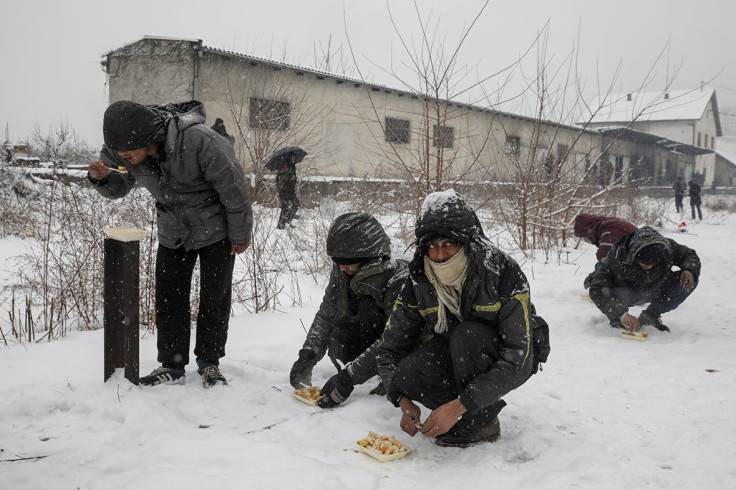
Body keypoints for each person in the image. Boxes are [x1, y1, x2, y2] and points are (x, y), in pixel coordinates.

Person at [88, 100, 253, 387]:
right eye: (119, 153)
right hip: (172, 230)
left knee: (214, 298)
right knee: (169, 299)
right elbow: (118, 189)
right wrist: (100, 179)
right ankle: (172, 366)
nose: (123, 156)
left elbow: (235, 190)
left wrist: (240, 234)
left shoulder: (200, 140)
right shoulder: (122, 149)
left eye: (128, 151)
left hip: (215, 230)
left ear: (148, 138)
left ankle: (209, 364)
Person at [376, 190, 549, 448]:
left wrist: (459, 406)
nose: (441, 255)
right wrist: (402, 400)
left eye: (449, 243)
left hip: (505, 353)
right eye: (432, 246)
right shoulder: (418, 278)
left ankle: (481, 422)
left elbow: (518, 358)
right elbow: (389, 351)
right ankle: (461, 416)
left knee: (467, 336)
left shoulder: (502, 271)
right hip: (455, 348)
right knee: (409, 372)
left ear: (467, 242)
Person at [289, 212, 408, 408]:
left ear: (367, 256)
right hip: (370, 334)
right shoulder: (345, 264)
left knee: (368, 308)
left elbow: (396, 336)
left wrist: (349, 377)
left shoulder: (398, 271)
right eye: (337, 262)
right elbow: (328, 311)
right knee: (338, 333)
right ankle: (368, 367)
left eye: (346, 262)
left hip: (403, 345)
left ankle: (389, 375)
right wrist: (308, 354)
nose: (341, 268)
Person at [587, 225, 699, 332]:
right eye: (644, 264)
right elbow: (596, 289)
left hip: (656, 287)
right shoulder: (617, 256)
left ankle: (650, 316)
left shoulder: (668, 248)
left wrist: (689, 269)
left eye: (654, 264)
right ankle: (619, 319)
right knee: (606, 289)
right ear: (634, 255)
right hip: (626, 293)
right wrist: (621, 314)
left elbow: (689, 255)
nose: (649, 267)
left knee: (689, 280)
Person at [573, 213, 638, 288]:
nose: (584, 240)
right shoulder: (607, 224)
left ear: (589, 231)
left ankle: (610, 293)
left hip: (639, 266)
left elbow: (605, 255)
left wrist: (596, 278)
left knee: (601, 266)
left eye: (584, 236)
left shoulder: (609, 226)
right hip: (637, 262)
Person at [275, 153, 300, 229]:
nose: (293, 159)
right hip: (283, 190)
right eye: (292, 158)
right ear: (289, 158)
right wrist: (289, 177)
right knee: (285, 207)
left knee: (296, 204)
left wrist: (294, 178)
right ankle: (281, 225)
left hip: (291, 190)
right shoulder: (283, 166)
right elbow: (279, 178)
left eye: (294, 158)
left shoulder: (293, 166)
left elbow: (293, 178)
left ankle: (288, 219)